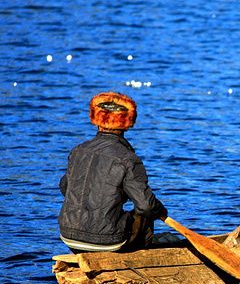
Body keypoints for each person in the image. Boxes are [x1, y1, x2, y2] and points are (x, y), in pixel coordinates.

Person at [58, 92, 167, 254]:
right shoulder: (128, 159)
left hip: (68, 236)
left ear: (97, 121)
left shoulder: (78, 151)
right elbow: (146, 206)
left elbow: (65, 188)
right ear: (127, 123)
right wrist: (161, 212)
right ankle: (135, 262)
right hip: (108, 242)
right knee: (145, 215)